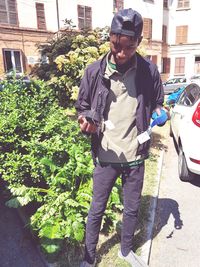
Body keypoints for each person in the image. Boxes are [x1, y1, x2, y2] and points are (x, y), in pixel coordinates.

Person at [75, 8, 164, 267]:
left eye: (129, 47)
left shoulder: (149, 71)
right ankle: (89, 259)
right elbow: (81, 107)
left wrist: (160, 113)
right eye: (116, 45)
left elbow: (158, 102)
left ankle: (126, 250)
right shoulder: (94, 72)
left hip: (135, 155)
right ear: (111, 38)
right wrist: (84, 122)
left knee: (132, 208)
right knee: (96, 210)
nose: (121, 53)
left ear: (138, 42)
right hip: (105, 155)